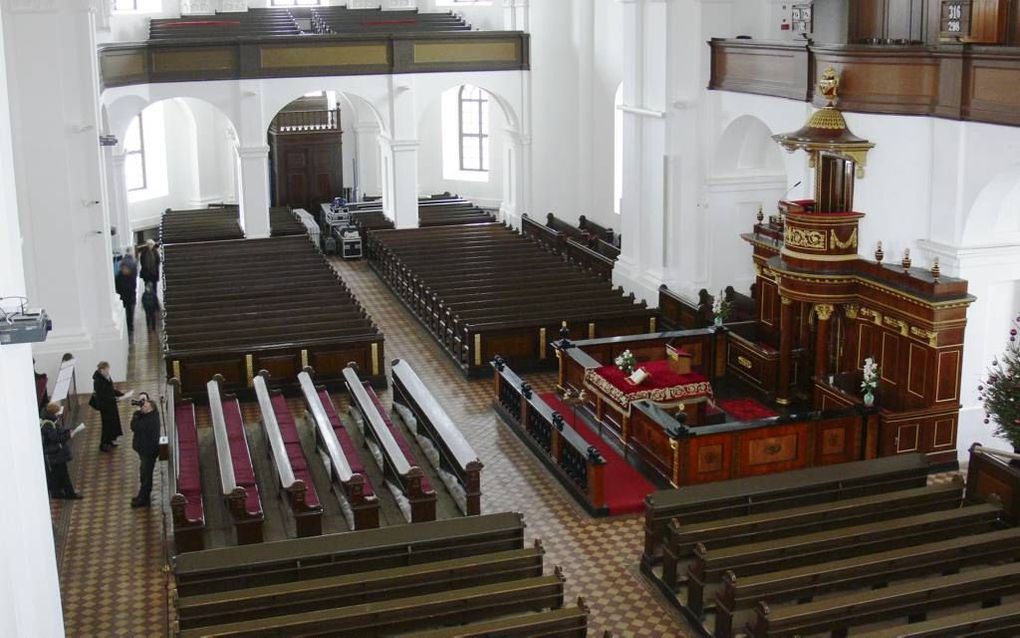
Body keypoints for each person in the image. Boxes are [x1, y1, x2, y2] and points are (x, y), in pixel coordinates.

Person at [130, 393, 161, 508]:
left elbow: (137, 426)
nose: (142, 406)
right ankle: (142, 496)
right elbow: (132, 426)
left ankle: (144, 499)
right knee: (144, 475)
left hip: (148, 453)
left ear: (150, 408)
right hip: (144, 451)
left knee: (146, 476)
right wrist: (138, 413)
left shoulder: (150, 420)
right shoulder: (147, 415)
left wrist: (137, 414)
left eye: (145, 404)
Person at [41, 417, 81, 500]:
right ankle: (70, 493)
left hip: (54, 455)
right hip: (56, 454)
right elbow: (56, 438)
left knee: (56, 474)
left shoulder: (48, 422)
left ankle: (56, 492)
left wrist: (67, 432)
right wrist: (68, 435)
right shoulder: (49, 425)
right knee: (64, 474)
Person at [92, 361, 124, 452]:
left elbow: (110, 389)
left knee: (112, 423)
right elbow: (102, 395)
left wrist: (119, 394)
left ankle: (109, 441)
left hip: (111, 405)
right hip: (105, 406)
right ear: (102, 370)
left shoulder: (105, 377)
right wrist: (114, 399)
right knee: (106, 425)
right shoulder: (98, 381)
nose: (108, 371)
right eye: (107, 369)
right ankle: (103, 444)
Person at [115, 261, 137, 335]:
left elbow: (133, 286)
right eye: (124, 268)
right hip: (123, 297)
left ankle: (130, 325)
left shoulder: (131, 276)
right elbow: (117, 287)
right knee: (125, 312)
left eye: (126, 268)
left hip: (130, 297)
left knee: (130, 312)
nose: (125, 270)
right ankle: (127, 325)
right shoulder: (118, 277)